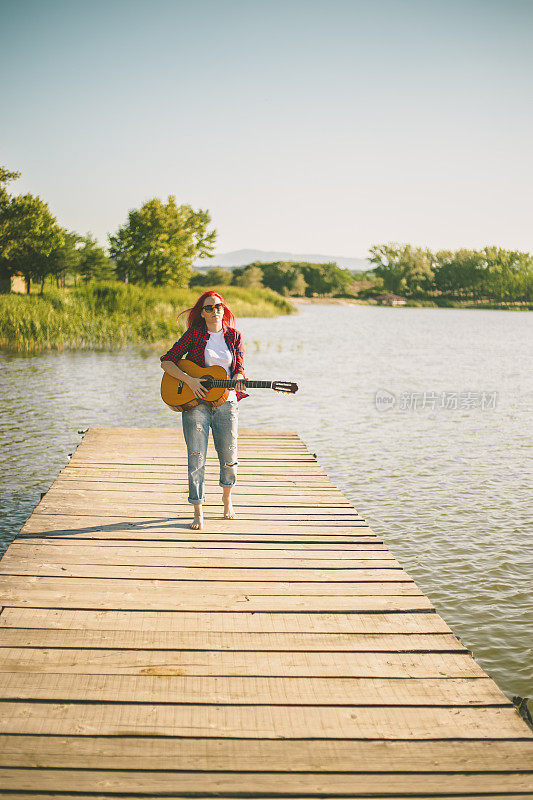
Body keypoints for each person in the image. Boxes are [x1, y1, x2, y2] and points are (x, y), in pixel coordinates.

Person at [160, 291, 247, 530]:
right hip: (196, 403)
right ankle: (198, 510)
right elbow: (167, 361)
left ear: (223, 309)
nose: (214, 310)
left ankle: (227, 499)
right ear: (202, 312)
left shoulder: (234, 336)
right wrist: (190, 381)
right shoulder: (195, 334)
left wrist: (238, 379)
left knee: (229, 456)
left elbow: (238, 368)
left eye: (218, 306)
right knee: (196, 457)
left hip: (226, 402)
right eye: (208, 307)